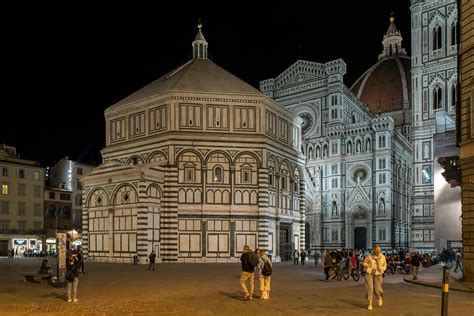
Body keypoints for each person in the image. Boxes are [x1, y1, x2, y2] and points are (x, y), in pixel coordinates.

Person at [362, 245, 387, 311]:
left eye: (379, 251)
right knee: (370, 288)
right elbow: (364, 263)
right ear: (374, 251)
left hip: (378, 274)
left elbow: (385, 265)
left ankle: (379, 298)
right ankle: (370, 304)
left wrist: (382, 269)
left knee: (377, 289)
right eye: (376, 251)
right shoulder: (369, 256)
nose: (377, 253)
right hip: (369, 273)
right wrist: (368, 265)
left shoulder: (383, 257)